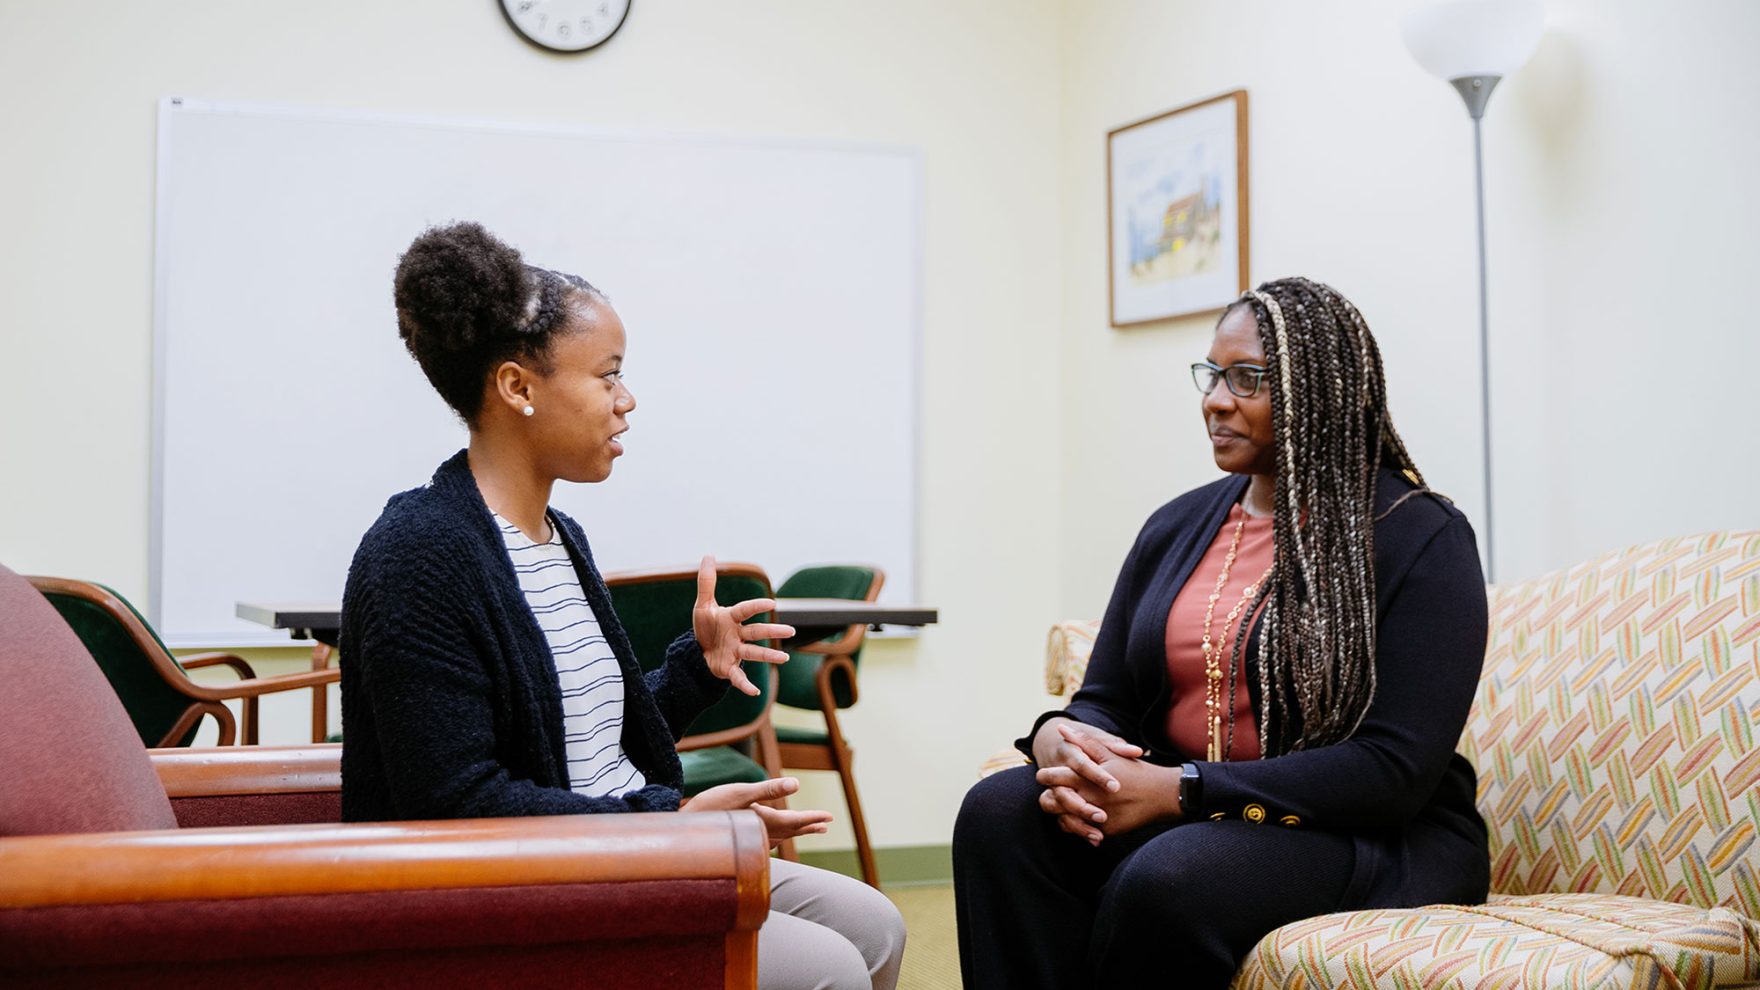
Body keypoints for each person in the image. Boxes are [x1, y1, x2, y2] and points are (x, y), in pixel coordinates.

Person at [340, 222, 905, 990]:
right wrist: (667, 826)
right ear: (517, 387)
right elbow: (454, 799)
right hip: (533, 892)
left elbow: (588, 741)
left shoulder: (559, 536)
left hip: (625, 849)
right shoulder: (419, 551)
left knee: (878, 925)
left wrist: (696, 670)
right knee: (831, 969)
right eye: (607, 375)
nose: (627, 400)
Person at [952, 277, 1490, 989]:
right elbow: (1107, 694)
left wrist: (1183, 789)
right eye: (1212, 374)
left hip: (1367, 835)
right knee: (998, 813)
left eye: (1248, 379)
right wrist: (1059, 736)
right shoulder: (1178, 525)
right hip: (1195, 809)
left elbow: (1393, 770)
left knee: (1170, 878)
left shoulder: (1419, 534)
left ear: (1320, 393)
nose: (1214, 399)